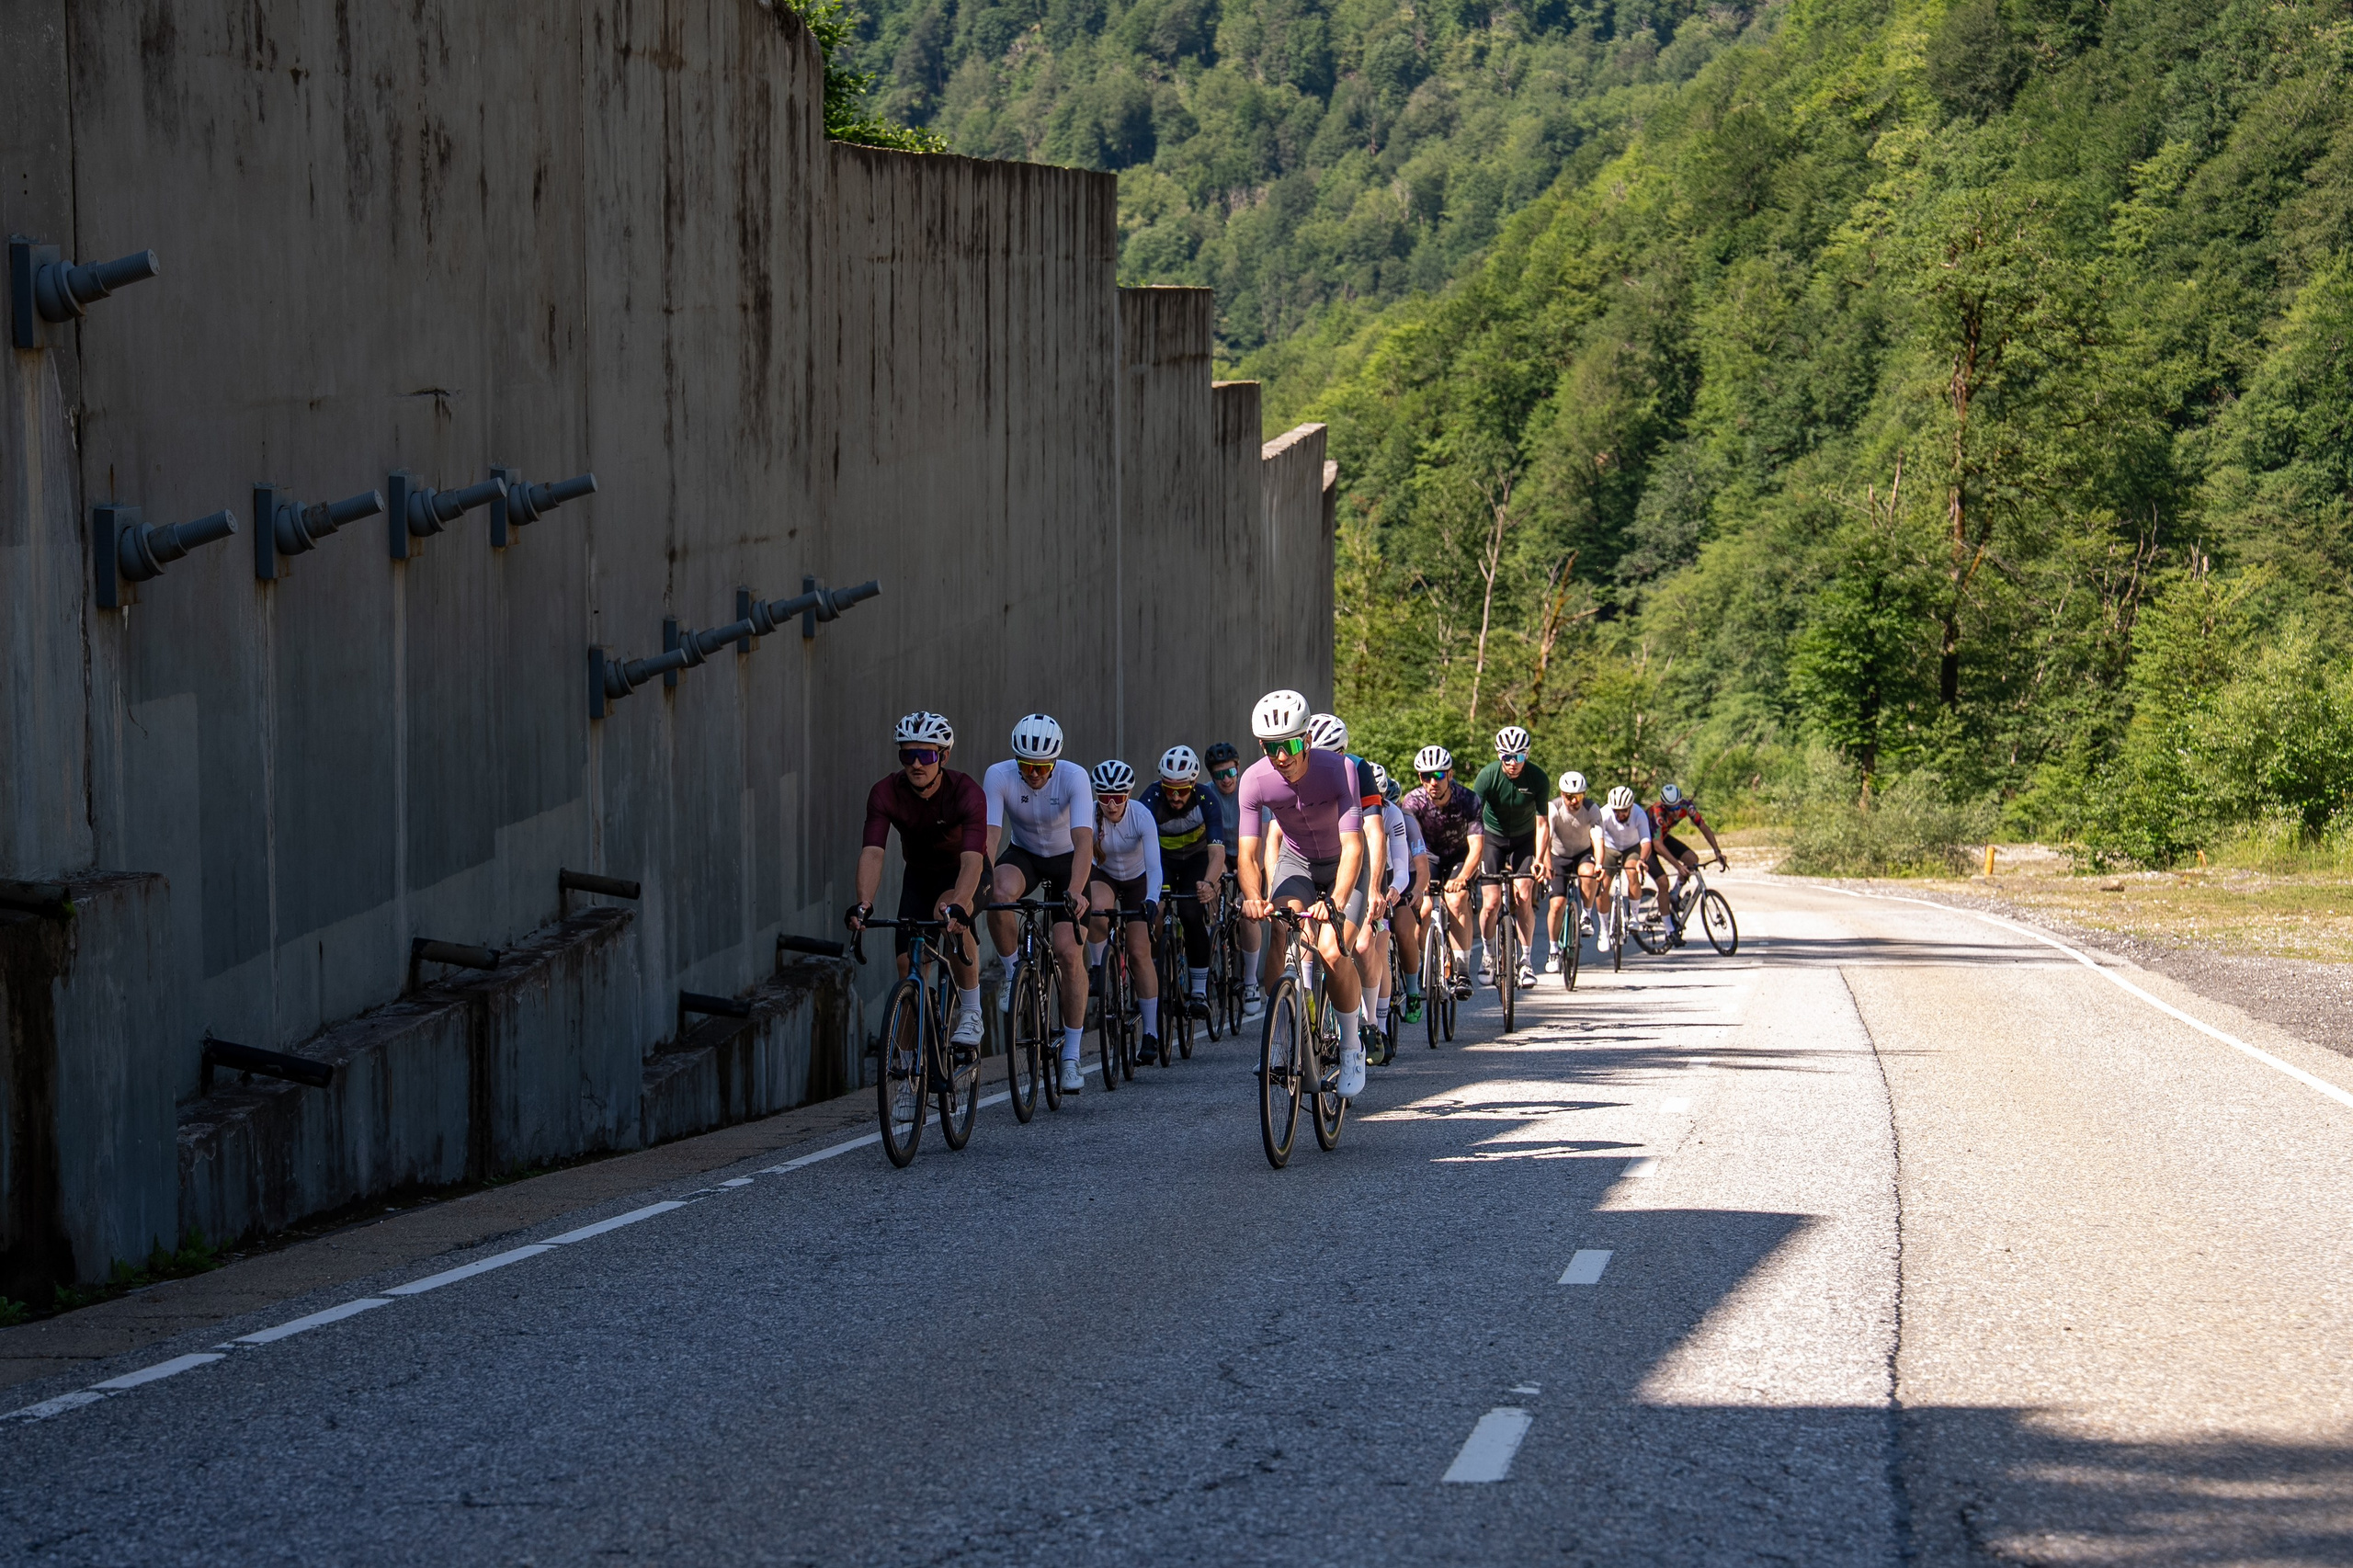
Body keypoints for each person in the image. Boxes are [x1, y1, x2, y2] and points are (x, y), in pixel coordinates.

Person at [1237, 689, 1370, 1098]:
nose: (1283, 756)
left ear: (1307, 739)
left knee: (1331, 951)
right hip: (1297, 864)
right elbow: (1248, 852)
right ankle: (1280, 1036)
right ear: (1263, 746)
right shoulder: (1254, 780)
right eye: (1273, 747)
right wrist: (1253, 895)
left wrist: (1336, 901)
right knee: (1280, 929)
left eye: (1291, 744)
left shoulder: (1339, 770)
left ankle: (1351, 1047)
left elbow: (1354, 847)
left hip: (1343, 867)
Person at [849, 711, 989, 1050]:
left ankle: (971, 1010)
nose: (916, 764)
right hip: (919, 875)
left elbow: (973, 860)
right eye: (907, 755)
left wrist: (960, 905)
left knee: (949, 917)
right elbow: (873, 852)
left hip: (964, 873)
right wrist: (864, 903)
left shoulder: (965, 791)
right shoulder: (885, 792)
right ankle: (910, 1068)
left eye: (925, 755)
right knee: (907, 967)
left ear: (943, 756)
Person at [983, 713, 1096, 1096]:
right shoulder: (998, 775)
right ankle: (1014, 972)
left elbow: (1084, 842)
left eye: (1042, 766)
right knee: (997, 894)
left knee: (1067, 951)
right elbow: (990, 837)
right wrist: (976, 882)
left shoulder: (1074, 776)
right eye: (1026, 765)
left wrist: (1078, 891)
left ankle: (1071, 1057)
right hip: (1025, 854)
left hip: (1069, 864)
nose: (1034, 773)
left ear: (1055, 761)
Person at [1307, 712, 1387, 1057]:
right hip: (1313, 861)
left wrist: (1373, 888)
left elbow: (1373, 830)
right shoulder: (1297, 769)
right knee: (1300, 941)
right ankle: (1301, 1021)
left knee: (1350, 947)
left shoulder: (1358, 770)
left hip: (1351, 861)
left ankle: (1363, 1026)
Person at [1083, 759, 1165, 1062]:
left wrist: (1151, 900)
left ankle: (1151, 1032)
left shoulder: (1141, 817)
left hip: (1137, 881)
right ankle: (1098, 965)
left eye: (1118, 797)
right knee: (1094, 908)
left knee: (1139, 952)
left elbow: (1155, 868)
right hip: (1104, 876)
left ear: (1128, 795)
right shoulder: (1089, 816)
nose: (1112, 803)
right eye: (1105, 797)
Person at [1138, 744, 1225, 1021]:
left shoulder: (1207, 799)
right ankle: (1153, 977)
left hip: (1196, 861)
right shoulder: (1151, 798)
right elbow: (1141, 847)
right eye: (1169, 789)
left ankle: (1199, 991)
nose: (1175, 797)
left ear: (1194, 784)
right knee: (1155, 914)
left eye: (1182, 790)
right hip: (1161, 860)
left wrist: (1209, 883)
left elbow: (1217, 852)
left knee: (1190, 913)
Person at [1466, 725, 1549, 991]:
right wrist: (1473, 855)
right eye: (1507, 758)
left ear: (1527, 756)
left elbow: (1543, 823)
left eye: (1519, 757)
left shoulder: (1537, 778)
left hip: (1524, 839)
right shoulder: (1487, 776)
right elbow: (1473, 819)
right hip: (1492, 838)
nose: (1513, 764)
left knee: (1524, 895)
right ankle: (1488, 955)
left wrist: (1542, 858)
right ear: (1499, 756)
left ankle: (1525, 961)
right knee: (1490, 903)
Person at [1400, 744, 1481, 1001]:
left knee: (1457, 900)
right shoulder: (1413, 802)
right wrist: (1420, 881)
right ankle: (1424, 964)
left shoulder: (1468, 799)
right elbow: (1412, 845)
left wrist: (1462, 878)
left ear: (1450, 775)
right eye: (1426, 776)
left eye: (1438, 775)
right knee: (1423, 908)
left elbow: (1477, 846)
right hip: (1428, 857)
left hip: (1459, 855)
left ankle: (1462, 971)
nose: (1433, 782)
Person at [1203, 741, 1265, 1018]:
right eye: (1219, 775)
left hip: (1247, 852)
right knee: (1209, 896)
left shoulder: (1250, 791)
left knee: (1249, 911)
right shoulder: (1206, 795)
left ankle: (1251, 981)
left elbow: (1261, 844)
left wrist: (1250, 884)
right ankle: (1213, 954)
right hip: (1218, 853)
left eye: (1230, 773)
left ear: (1238, 769)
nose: (1226, 780)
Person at [1372, 763, 1431, 1040]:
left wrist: (1417, 890)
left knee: (1405, 931)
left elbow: (1420, 864)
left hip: (1401, 874)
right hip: (1371, 872)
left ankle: (1412, 991)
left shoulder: (1404, 819)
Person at [1648, 783, 1729, 939]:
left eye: (1678, 806)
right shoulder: (1657, 812)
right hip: (1647, 843)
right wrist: (1678, 866)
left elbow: (1703, 827)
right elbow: (1657, 845)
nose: (1676, 811)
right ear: (1665, 806)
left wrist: (1717, 851)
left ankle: (1675, 893)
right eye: (1672, 809)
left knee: (1692, 860)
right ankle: (1669, 929)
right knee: (1663, 882)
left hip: (1663, 838)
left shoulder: (1686, 807)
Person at [1544, 770, 1607, 970]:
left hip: (1582, 852)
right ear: (1563, 795)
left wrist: (1599, 863)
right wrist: (1546, 865)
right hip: (1558, 854)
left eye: (1579, 796)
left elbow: (1598, 839)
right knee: (1557, 904)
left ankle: (1586, 915)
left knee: (1588, 874)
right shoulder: (1553, 808)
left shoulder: (1592, 809)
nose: (1574, 801)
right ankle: (1553, 950)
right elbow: (1545, 839)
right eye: (1570, 796)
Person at [1591, 785, 1656, 936]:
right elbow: (1598, 840)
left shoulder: (1639, 814)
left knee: (1632, 871)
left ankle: (1634, 917)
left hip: (1631, 848)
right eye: (1616, 811)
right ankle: (1604, 928)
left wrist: (1642, 860)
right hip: (1609, 848)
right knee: (1602, 885)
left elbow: (1646, 842)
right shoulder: (1604, 813)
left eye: (1624, 811)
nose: (1620, 815)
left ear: (1631, 807)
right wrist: (1599, 864)